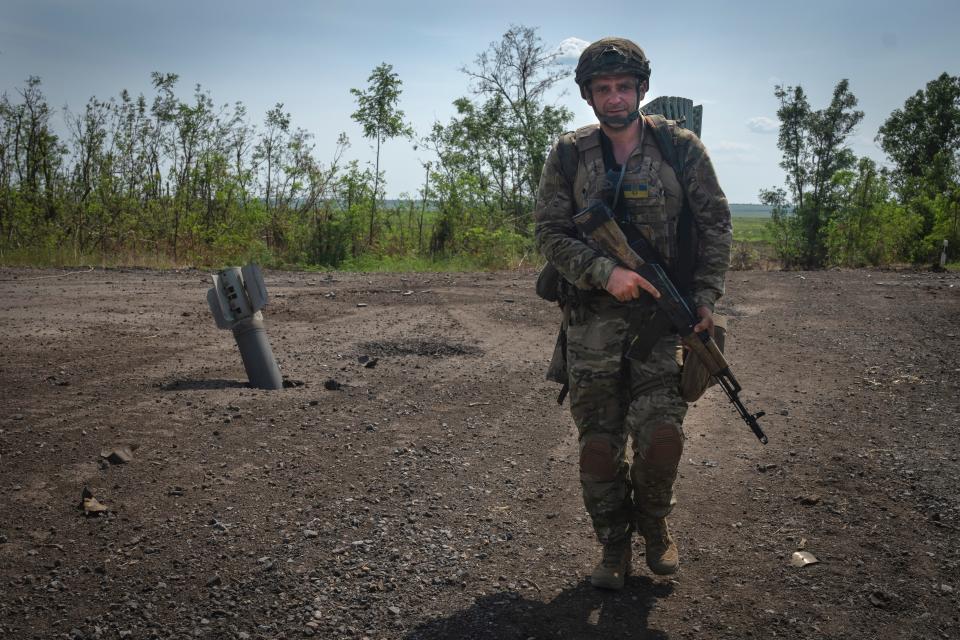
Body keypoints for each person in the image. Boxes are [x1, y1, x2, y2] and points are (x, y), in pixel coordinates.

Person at [534, 37, 732, 589]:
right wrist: (607, 274)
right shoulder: (570, 154)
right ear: (588, 95)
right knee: (598, 447)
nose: (615, 98)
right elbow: (549, 233)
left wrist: (706, 298)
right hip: (590, 328)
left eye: (624, 87)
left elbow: (716, 226)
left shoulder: (680, 149)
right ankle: (613, 547)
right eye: (603, 89)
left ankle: (655, 527)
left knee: (662, 436)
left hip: (662, 325)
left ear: (641, 89)